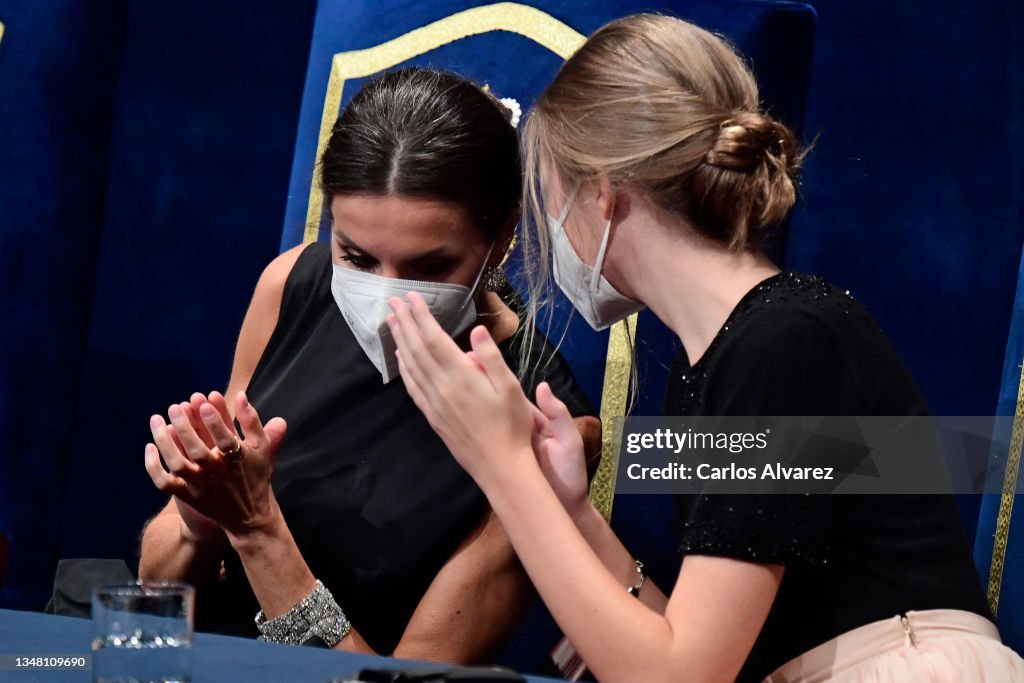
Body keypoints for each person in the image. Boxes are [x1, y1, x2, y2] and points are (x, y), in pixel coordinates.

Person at [386, 15, 1024, 682]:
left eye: (551, 198)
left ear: (602, 193)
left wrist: (501, 463)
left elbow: (679, 676)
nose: (555, 229)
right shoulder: (713, 362)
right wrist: (572, 510)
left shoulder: (782, 342)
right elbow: (688, 647)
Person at [137, 67, 599, 661]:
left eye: (430, 267)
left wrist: (257, 531)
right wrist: (200, 518)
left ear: (502, 237)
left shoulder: (544, 423)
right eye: (355, 257)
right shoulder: (291, 285)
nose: (386, 300)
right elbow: (157, 587)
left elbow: (405, 678)